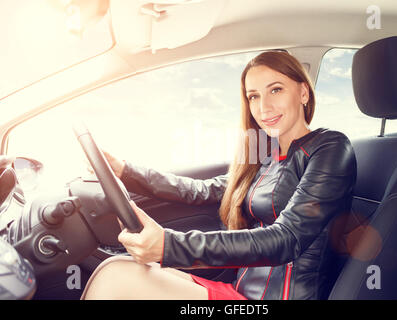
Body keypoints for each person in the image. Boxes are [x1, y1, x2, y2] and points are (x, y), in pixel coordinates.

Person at [81, 51, 357, 300]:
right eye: (254, 96)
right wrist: (125, 170)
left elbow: (288, 239)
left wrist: (169, 245)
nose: (264, 107)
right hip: (240, 291)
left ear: (304, 93)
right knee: (118, 267)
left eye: (276, 90)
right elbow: (200, 190)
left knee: (116, 280)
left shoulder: (330, 147)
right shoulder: (265, 157)